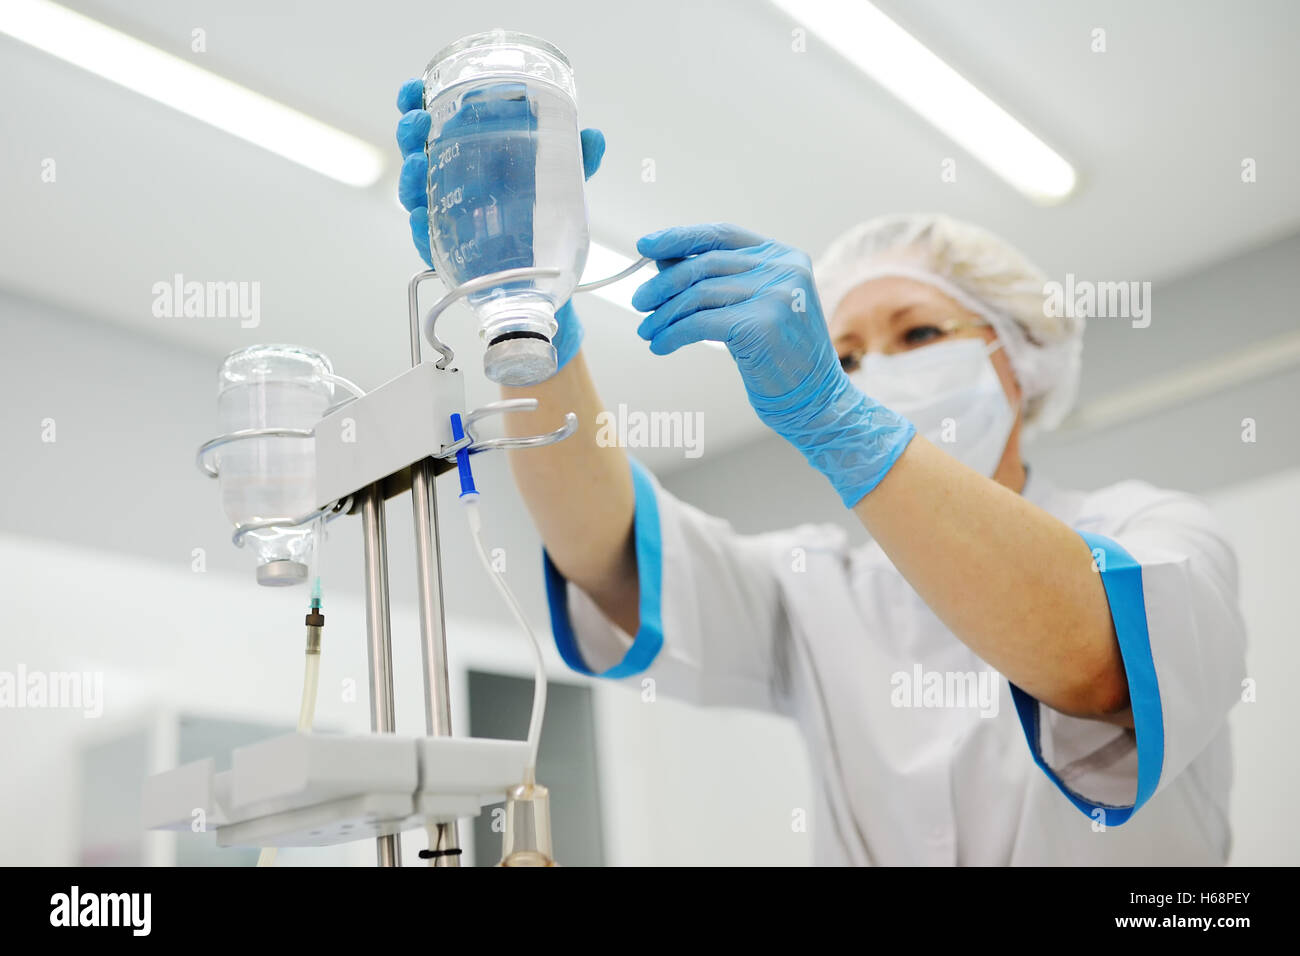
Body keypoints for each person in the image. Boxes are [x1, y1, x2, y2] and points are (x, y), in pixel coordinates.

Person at [396, 82, 1247, 865]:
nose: (874, 372)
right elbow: (606, 553)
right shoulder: (815, 588)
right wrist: (529, 306)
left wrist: (831, 414)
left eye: (916, 335)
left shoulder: (1153, 528)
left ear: (1018, 361)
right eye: (841, 359)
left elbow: (1096, 664)